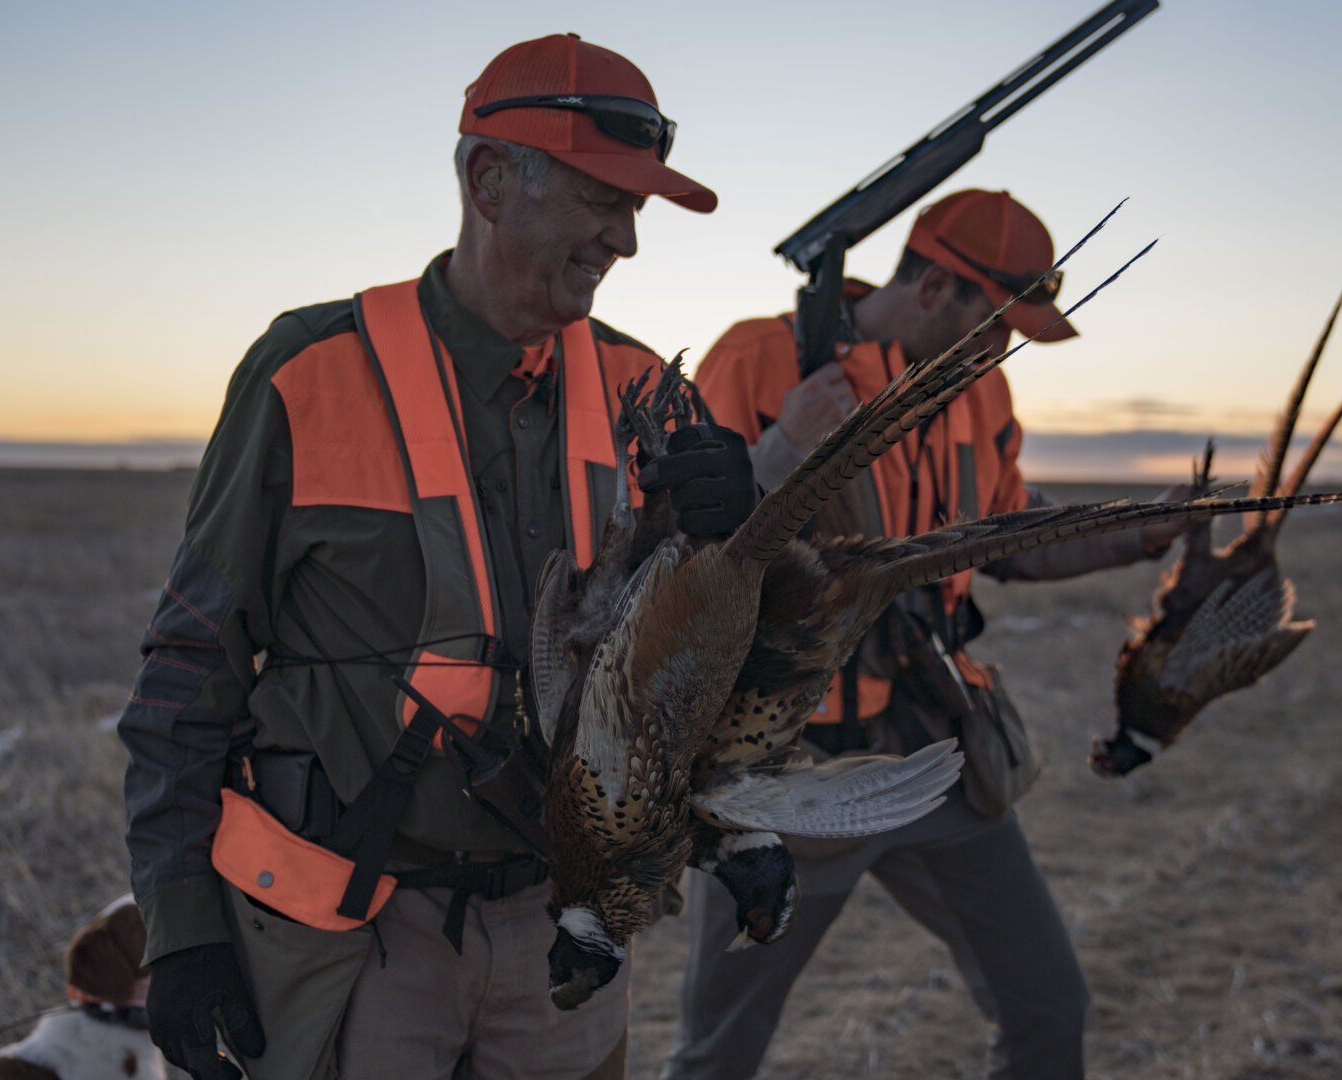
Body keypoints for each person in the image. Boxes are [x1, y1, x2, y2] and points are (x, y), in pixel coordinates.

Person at [117, 34, 754, 1080]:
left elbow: (692, 674)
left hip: (565, 934)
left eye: (636, 210)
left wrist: (740, 538)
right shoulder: (307, 372)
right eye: (604, 198)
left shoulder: (651, 391)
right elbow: (191, 670)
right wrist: (181, 926)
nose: (627, 240)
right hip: (357, 936)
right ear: (490, 180)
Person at [666, 189, 1185, 1080]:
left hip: (937, 753)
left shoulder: (981, 392)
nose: (1002, 346)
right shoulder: (760, 360)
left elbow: (1011, 533)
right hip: (791, 779)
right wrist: (789, 443)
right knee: (719, 1055)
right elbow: (680, 553)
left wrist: (1144, 528)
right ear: (935, 284)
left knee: (1049, 1009)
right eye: (995, 321)